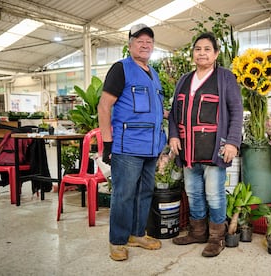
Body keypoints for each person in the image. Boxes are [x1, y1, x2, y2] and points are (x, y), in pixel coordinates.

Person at [168, 32, 243, 257]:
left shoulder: (225, 78)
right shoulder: (184, 79)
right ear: (193, 53)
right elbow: (174, 113)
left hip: (215, 147)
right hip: (188, 148)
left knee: (214, 194)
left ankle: (216, 237)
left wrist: (232, 142)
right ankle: (197, 232)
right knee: (193, 193)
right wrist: (173, 136)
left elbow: (236, 111)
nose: (202, 53)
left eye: (207, 49)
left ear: (216, 53)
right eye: (198, 49)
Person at [98, 23, 167, 262]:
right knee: (124, 194)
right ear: (130, 45)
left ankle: (137, 234)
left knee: (144, 192)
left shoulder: (154, 73)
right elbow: (104, 106)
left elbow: (154, 110)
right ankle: (117, 240)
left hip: (151, 147)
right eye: (140, 41)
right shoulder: (121, 69)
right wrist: (107, 143)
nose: (145, 45)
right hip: (127, 147)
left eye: (149, 41)